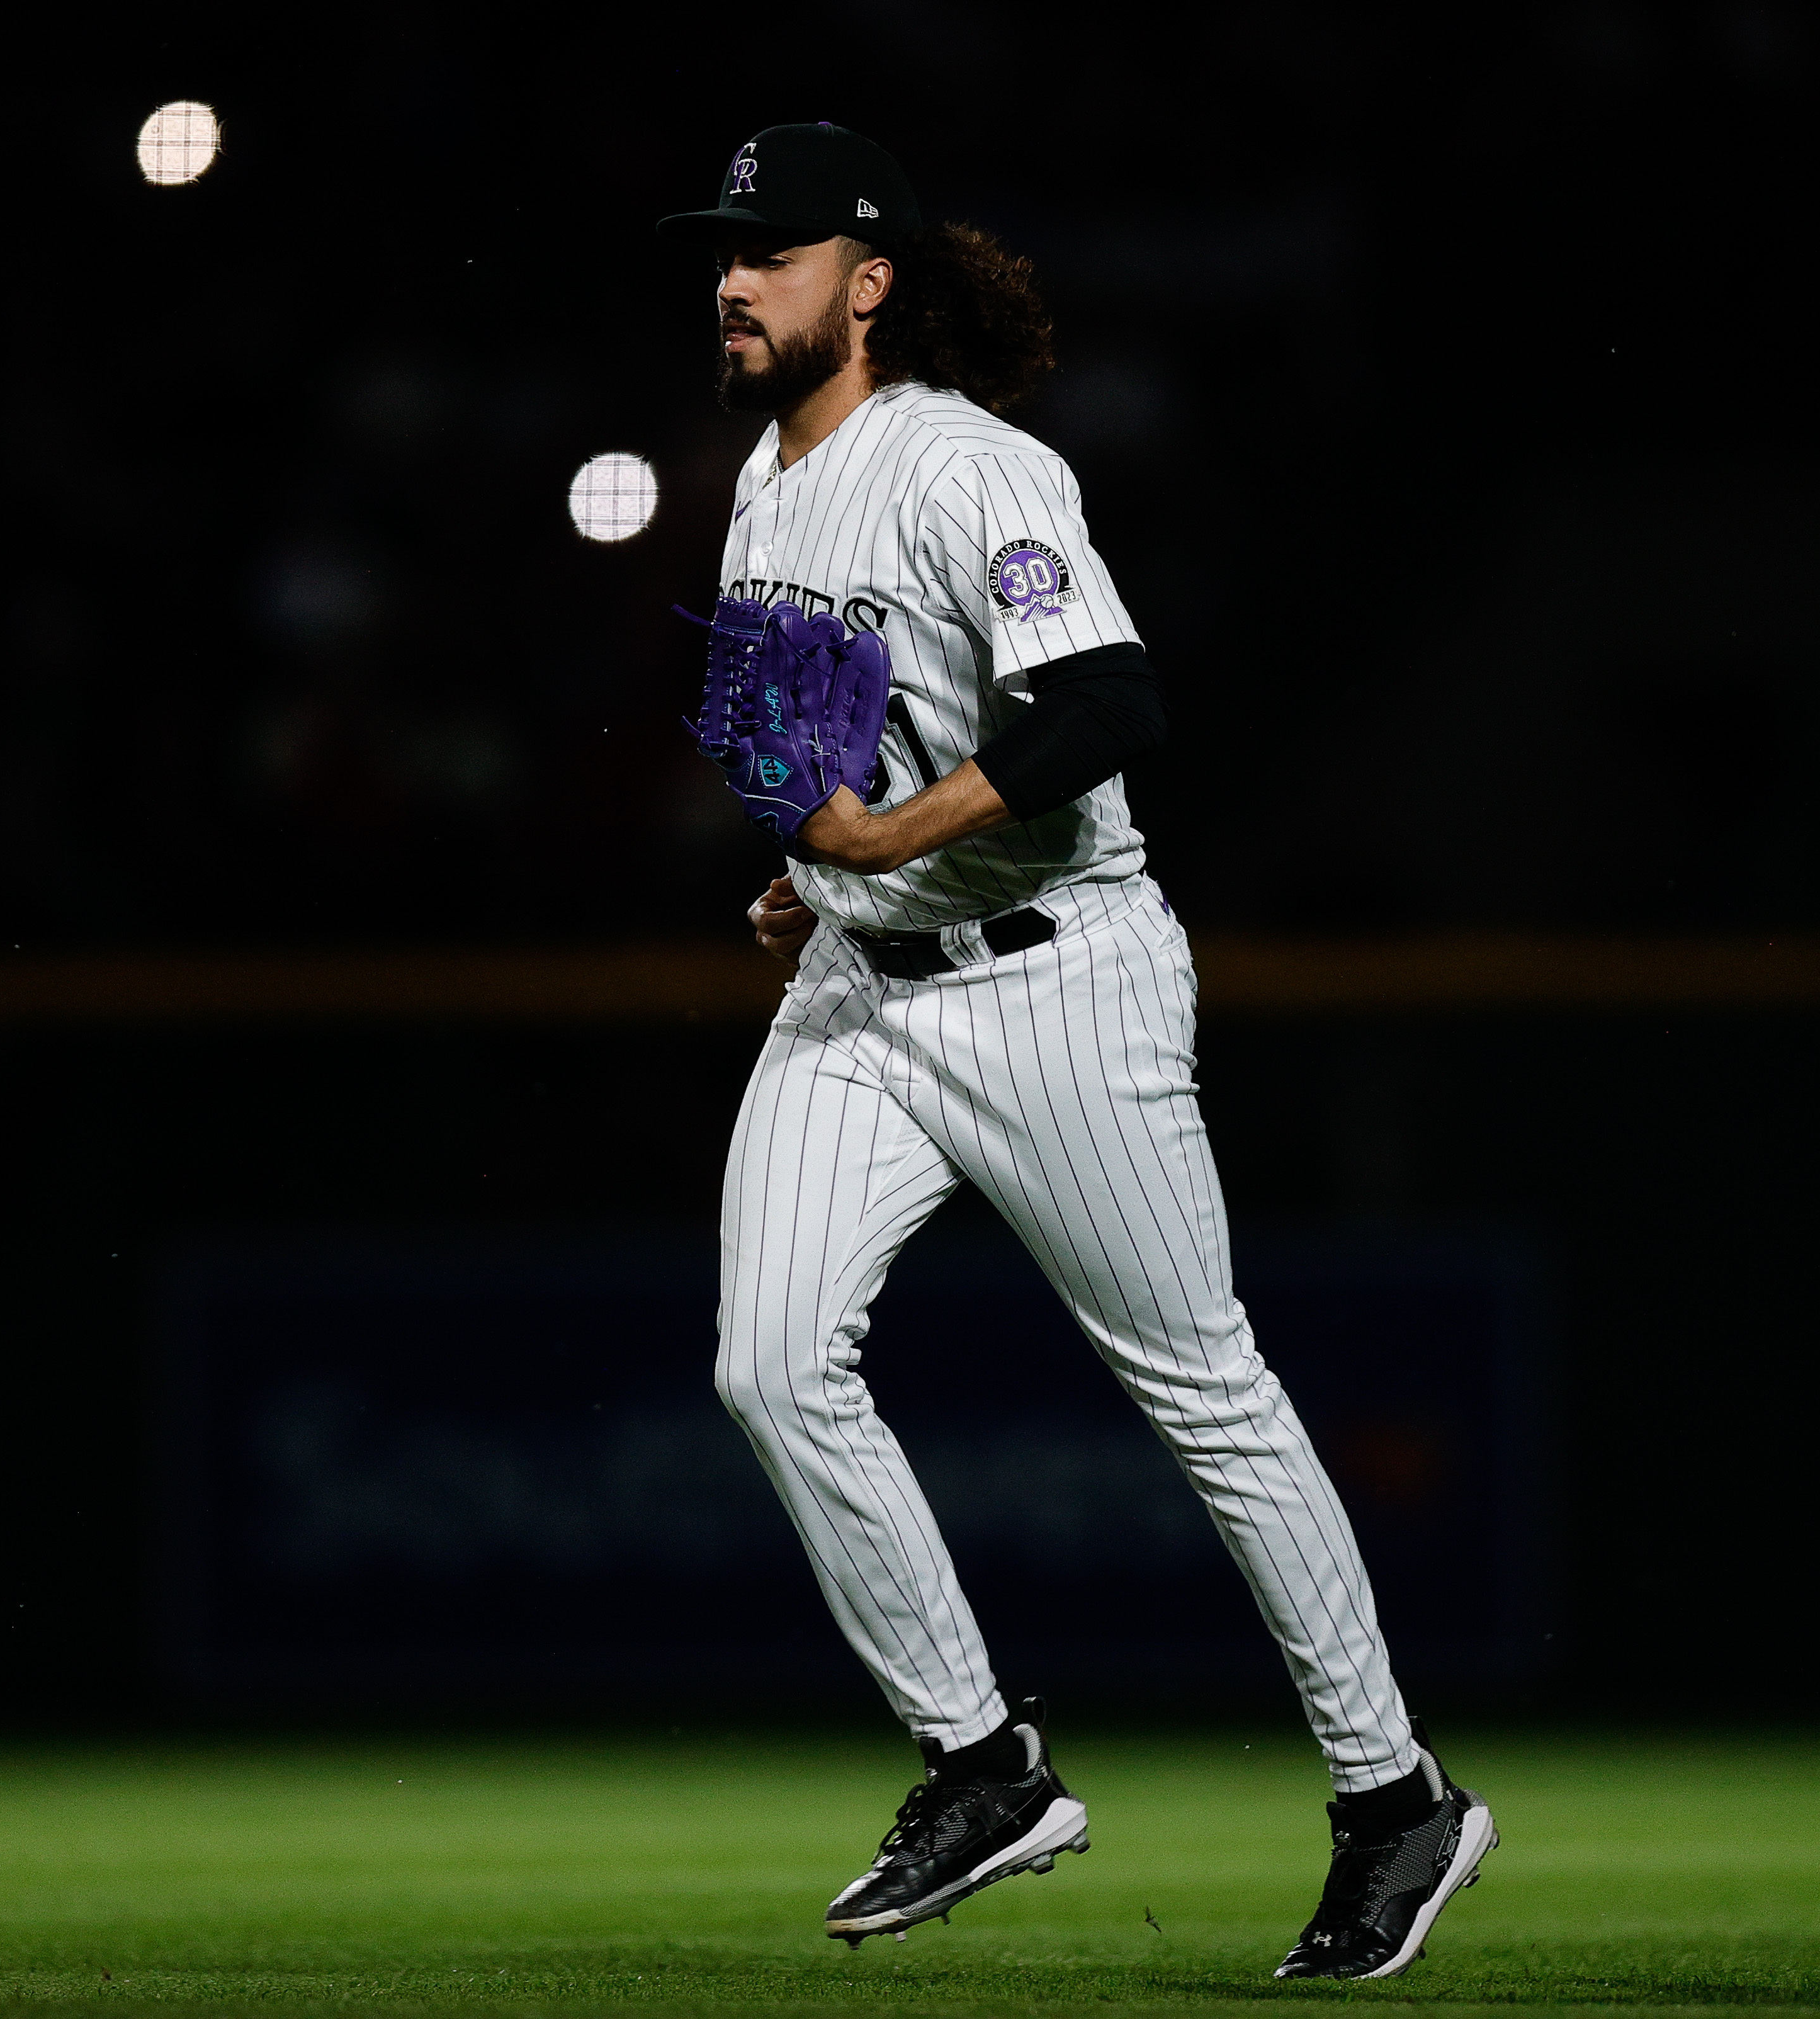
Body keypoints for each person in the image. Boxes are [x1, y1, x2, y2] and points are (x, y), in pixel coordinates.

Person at [660, 123, 1499, 1981]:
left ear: (865, 284)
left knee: (1201, 1390)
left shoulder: (972, 465)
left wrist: (896, 834)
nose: (732, 276)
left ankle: (1394, 1801)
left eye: (772, 250)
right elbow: (822, 762)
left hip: (1055, 979)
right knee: (766, 1364)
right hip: (860, 995)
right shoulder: (758, 485)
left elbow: (1108, 701)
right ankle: (980, 1764)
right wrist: (813, 871)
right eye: (723, 249)